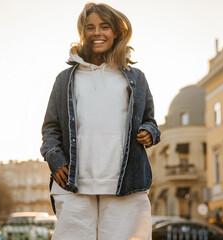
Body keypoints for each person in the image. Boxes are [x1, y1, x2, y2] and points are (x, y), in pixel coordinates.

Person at [40, 3, 161, 240]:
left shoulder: (136, 78)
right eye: (90, 27)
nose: (97, 33)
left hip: (126, 182)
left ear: (117, 32)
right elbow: (51, 128)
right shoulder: (65, 79)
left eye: (104, 27)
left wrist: (149, 131)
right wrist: (55, 158)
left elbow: (150, 121)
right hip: (74, 182)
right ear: (82, 33)